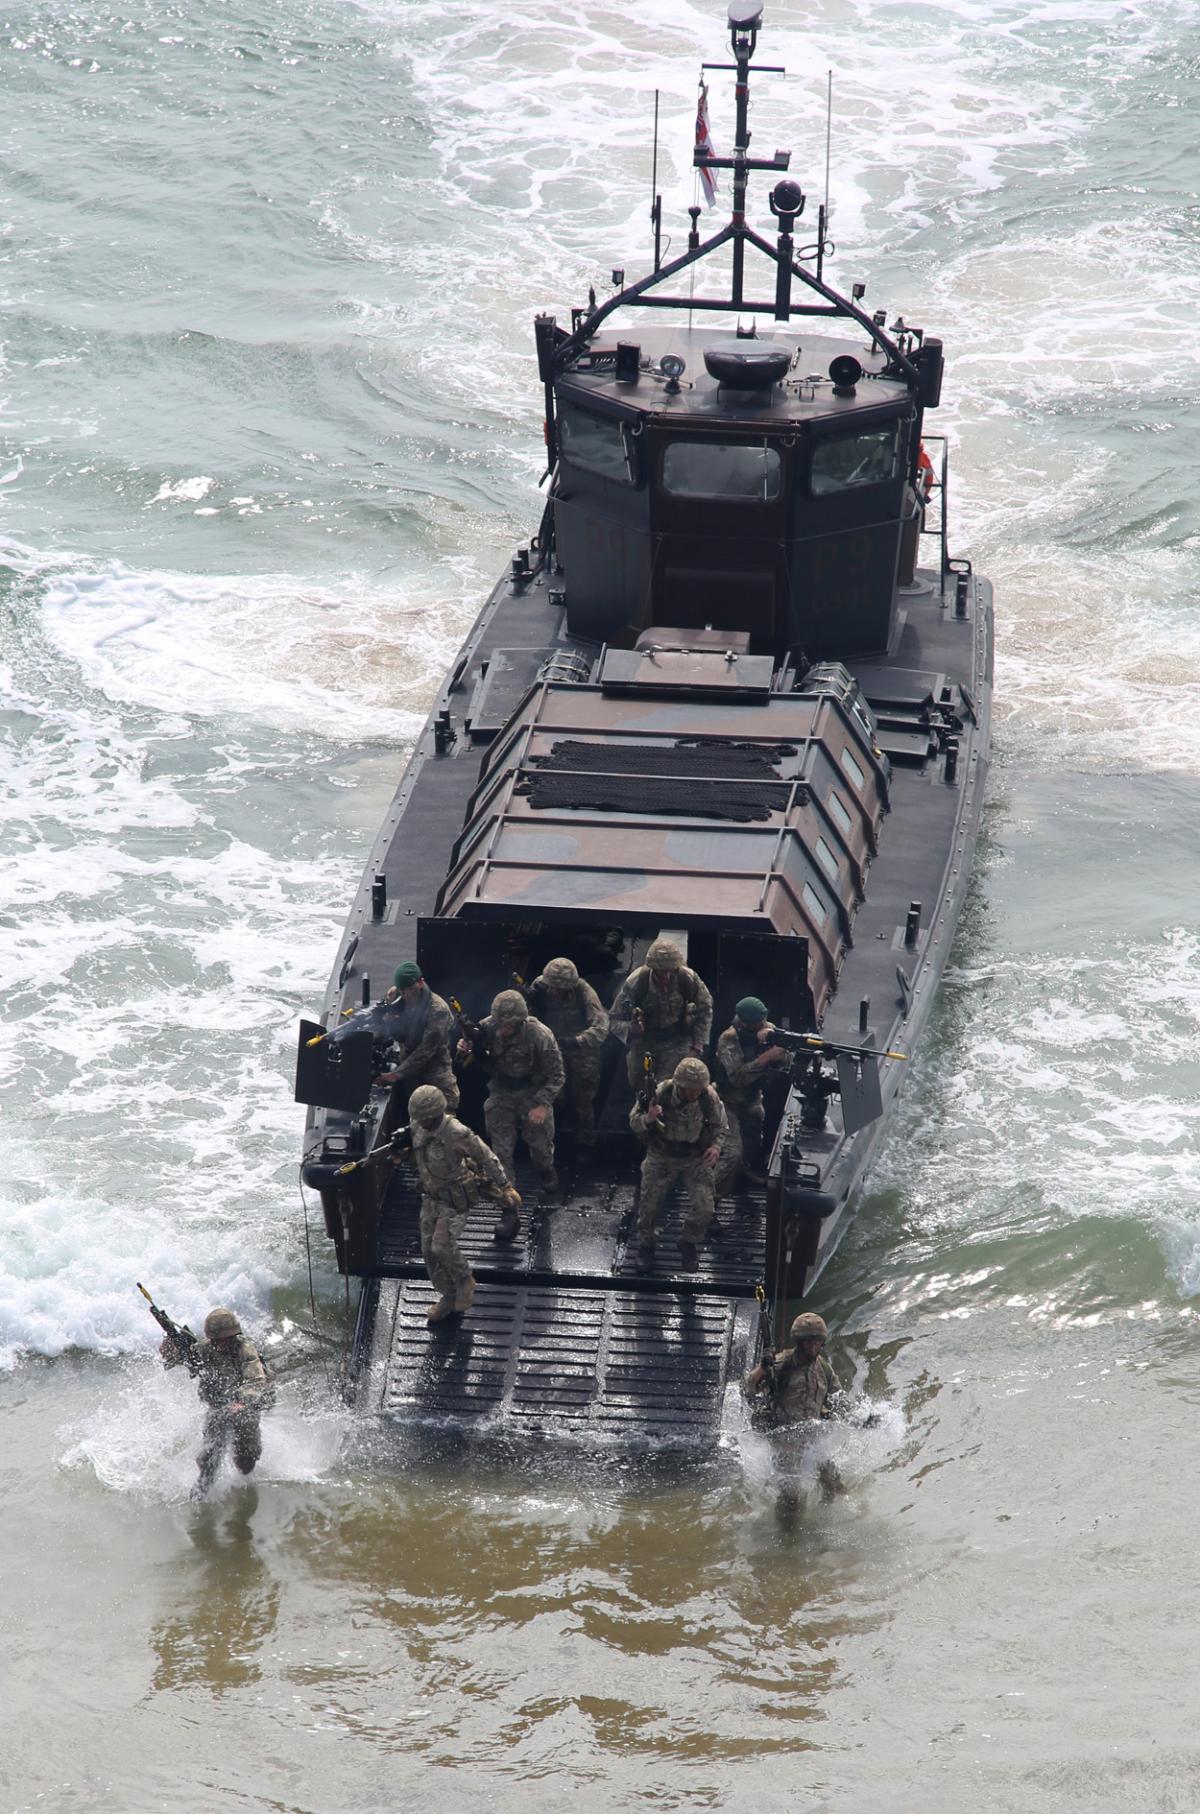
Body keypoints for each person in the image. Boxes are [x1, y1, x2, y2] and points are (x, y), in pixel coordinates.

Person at [408, 1083, 521, 1320]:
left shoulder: (457, 1132)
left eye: (425, 1119)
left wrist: (505, 1186)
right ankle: (448, 1297)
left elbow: (487, 1157)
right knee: (429, 1252)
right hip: (431, 1197)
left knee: (442, 1245)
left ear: (436, 1114)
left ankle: (464, 1279)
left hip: (454, 1198)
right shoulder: (418, 1126)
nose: (421, 1123)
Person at [458, 989, 565, 1194]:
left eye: (510, 1025)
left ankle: (546, 1171)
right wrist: (464, 1049)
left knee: (541, 1148)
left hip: (533, 1093)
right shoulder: (486, 1027)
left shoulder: (540, 1035)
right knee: (501, 1150)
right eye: (501, 1023)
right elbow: (469, 1053)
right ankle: (508, 1200)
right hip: (502, 1092)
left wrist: (543, 1104)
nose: (504, 1029)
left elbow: (557, 1075)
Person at [161, 1308, 272, 1500]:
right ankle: (200, 1494)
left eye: (224, 1339)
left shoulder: (245, 1349)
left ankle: (244, 1494)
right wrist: (169, 1348)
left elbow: (255, 1380)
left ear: (233, 1336)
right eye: (215, 1340)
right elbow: (175, 1360)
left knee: (246, 1461)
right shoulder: (205, 1347)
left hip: (246, 1406)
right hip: (220, 1407)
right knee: (210, 1455)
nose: (219, 1344)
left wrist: (242, 1401)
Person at [628, 1055, 727, 1268]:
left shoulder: (708, 1098)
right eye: (689, 1089)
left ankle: (688, 1242)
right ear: (679, 1085)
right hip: (662, 1155)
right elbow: (633, 1122)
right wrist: (649, 1118)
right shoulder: (658, 1094)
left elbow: (720, 1127)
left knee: (705, 1208)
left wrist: (715, 1147)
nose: (693, 1093)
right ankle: (646, 1245)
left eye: (697, 1089)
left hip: (694, 1157)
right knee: (649, 1206)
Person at [744, 1311, 845, 1517]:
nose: (813, 1347)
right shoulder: (782, 1364)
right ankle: (787, 1540)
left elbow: (839, 1399)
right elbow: (747, 1386)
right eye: (808, 1343)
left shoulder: (823, 1368)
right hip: (785, 1439)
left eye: (818, 1342)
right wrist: (762, 1368)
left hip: (813, 1436)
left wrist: (864, 1418)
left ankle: (828, 1521)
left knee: (833, 1484)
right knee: (792, 1499)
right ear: (799, 1342)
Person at [527, 956, 609, 1152]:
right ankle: (552, 1143)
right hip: (553, 1046)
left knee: (584, 1100)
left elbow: (601, 1028)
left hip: (581, 1049)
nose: (554, 992)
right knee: (553, 1096)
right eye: (551, 987)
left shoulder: (584, 992)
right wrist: (532, 1004)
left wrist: (577, 1040)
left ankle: (585, 1145)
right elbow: (527, 1020)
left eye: (559, 989)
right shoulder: (540, 986)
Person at [610, 939, 713, 1095]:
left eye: (672, 970)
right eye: (661, 971)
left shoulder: (688, 979)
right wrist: (632, 1029)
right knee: (641, 1087)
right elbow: (614, 1019)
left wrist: (697, 1046)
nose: (667, 975)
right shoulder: (636, 982)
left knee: (670, 1087)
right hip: (645, 1041)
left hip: (677, 1040)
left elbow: (705, 1010)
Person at [713, 997, 790, 1193]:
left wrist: (782, 1053)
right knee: (732, 1152)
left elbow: (787, 1058)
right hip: (726, 1102)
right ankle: (711, 1193)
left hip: (752, 1099)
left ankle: (741, 1173)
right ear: (746, 1023)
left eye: (764, 1020)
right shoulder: (728, 1040)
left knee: (753, 1143)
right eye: (759, 1023)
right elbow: (737, 1078)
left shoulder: (767, 1029)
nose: (764, 1025)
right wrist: (765, 1057)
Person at [375, 960, 459, 1110]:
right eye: (403, 990)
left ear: (421, 982)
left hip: (434, 1067)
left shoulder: (438, 1010)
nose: (407, 994)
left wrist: (395, 1075)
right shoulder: (396, 995)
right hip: (407, 1061)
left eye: (411, 989)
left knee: (443, 1111)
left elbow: (424, 1052)